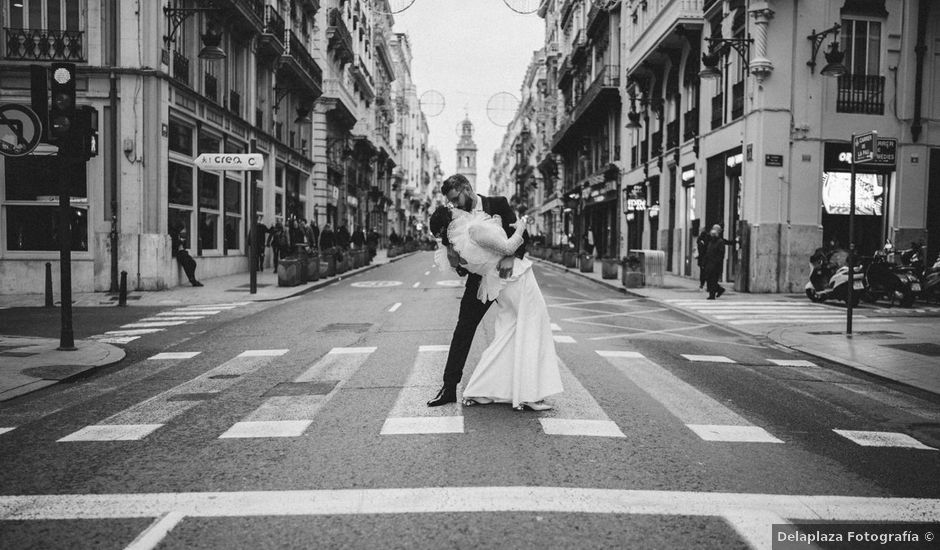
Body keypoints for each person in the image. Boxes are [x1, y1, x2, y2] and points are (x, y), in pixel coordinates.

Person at [429, 196, 562, 410]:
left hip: (498, 282)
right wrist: (521, 226)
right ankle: (528, 395)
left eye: (456, 201)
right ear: (453, 219)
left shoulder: (454, 246)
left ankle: (482, 389)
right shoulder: (473, 229)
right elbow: (508, 247)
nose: (460, 210)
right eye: (454, 210)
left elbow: (477, 258)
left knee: (508, 333)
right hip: (514, 278)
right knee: (531, 328)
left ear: (466, 189)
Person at [704, 224, 728, 300]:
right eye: (712, 230)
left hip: (715, 264)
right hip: (709, 263)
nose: (713, 232)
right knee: (708, 279)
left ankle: (712, 295)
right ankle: (719, 289)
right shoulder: (711, 241)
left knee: (713, 279)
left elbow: (721, 255)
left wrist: (716, 263)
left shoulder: (720, 242)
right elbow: (707, 252)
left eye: (715, 230)